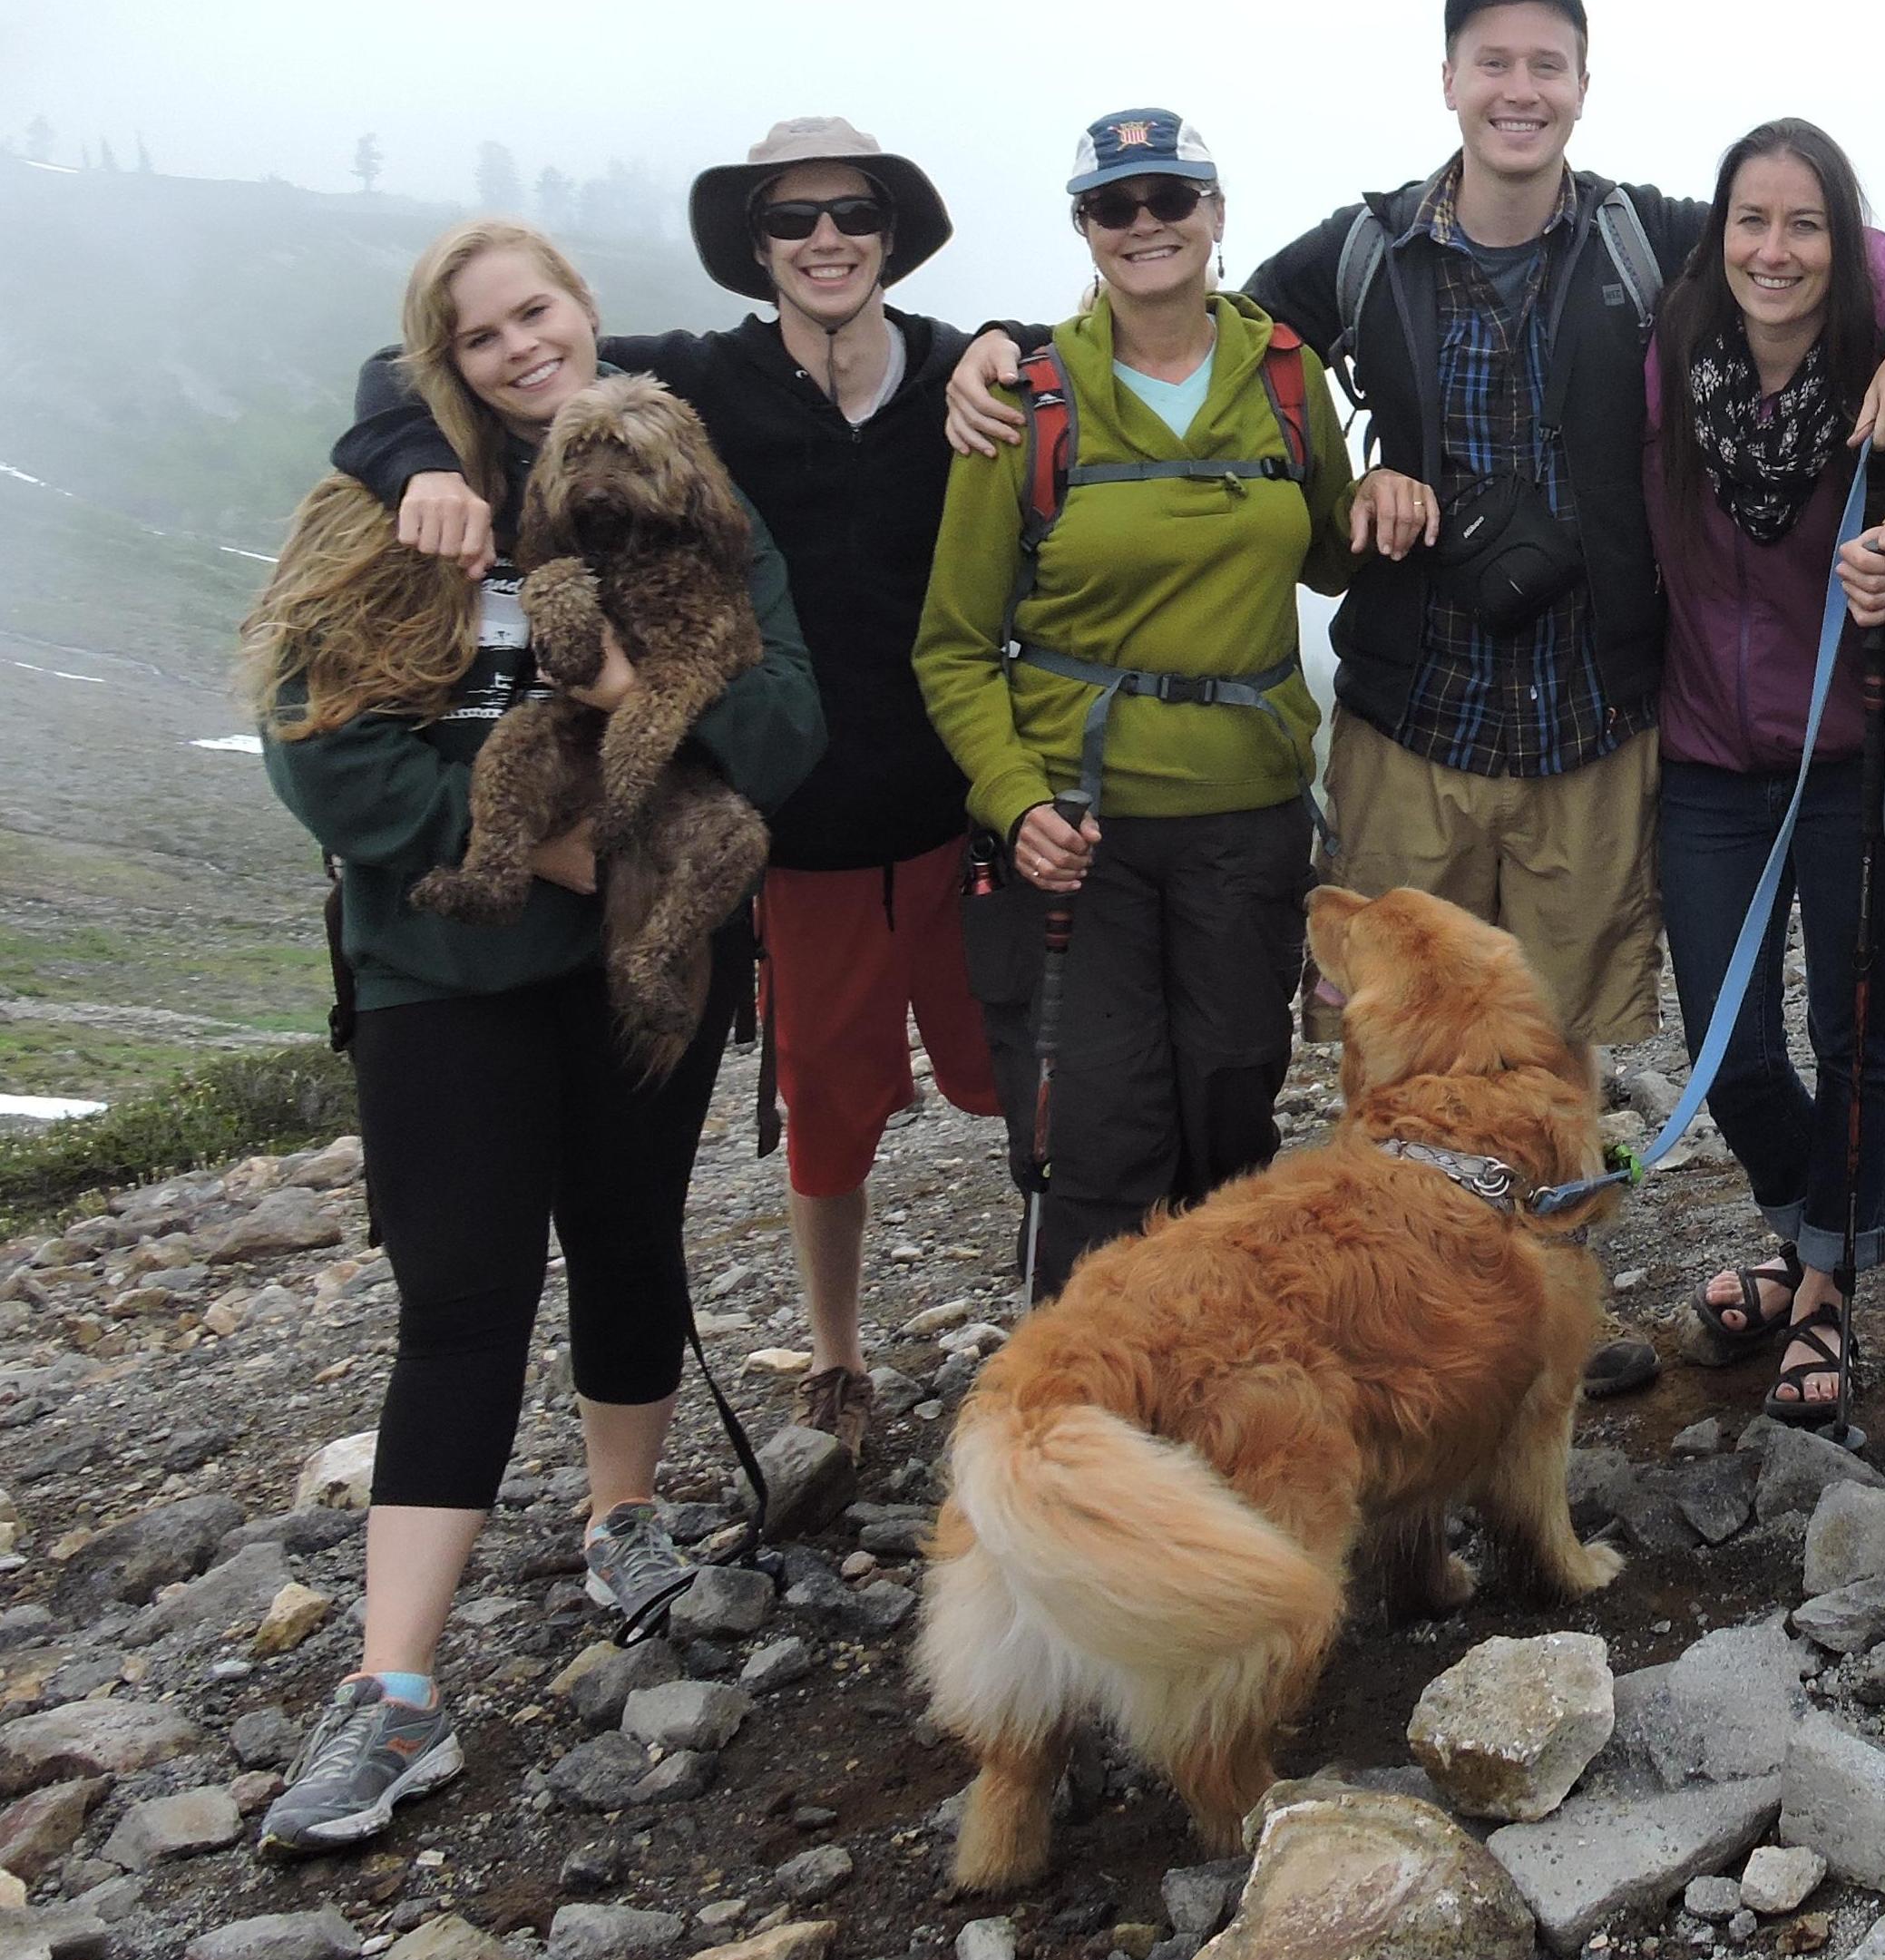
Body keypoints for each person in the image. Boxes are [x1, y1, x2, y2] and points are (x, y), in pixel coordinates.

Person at [946, 0, 1885, 1390]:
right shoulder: (1358, 257)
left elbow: (1846, 255)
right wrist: (1000, 347)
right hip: (1413, 716)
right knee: (1399, 1057)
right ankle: (1406, 1324)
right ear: (1449, 81)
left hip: (1597, 723)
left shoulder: (1645, 241)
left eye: (1549, 65)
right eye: (1495, 63)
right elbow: (1191, 319)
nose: (1520, 91)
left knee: (1555, 1062)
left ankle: (1543, 1326)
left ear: (1584, 87)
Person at [247, 221, 825, 1852]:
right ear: (445, 357)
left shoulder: (689, 496)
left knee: (634, 1237)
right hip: (449, 968)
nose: (518, 347)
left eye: (538, 312)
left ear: (587, 316)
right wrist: (529, 844)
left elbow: (785, 731)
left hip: (648, 956)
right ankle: (395, 1687)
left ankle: (623, 1516)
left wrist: (660, 673)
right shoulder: (396, 500)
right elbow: (322, 756)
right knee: (463, 1293)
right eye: (479, 331)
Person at [333, 120, 999, 1471]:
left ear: (890, 231)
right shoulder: (685, 378)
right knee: (826, 1105)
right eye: (790, 219)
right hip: (794, 833)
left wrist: (1004, 343)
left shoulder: (958, 368)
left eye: (850, 212)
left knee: (1020, 1086)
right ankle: (836, 1353)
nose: (823, 238)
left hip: (961, 804)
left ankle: (1053, 1324)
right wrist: (409, 461)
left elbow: (1084, 333)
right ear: (754, 249)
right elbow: (413, 370)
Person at [914, 111, 1358, 1299]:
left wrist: (1405, 488)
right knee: (1100, 1134)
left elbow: (1335, 554)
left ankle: (1225, 1399)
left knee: (1229, 1110)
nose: (1147, 224)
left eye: (1172, 198)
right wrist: (1014, 804)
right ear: (1085, 228)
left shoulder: (1285, 379)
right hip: (1075, 828)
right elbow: (954, 647)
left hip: (1247, 815)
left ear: (1216, 214)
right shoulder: (1028, 397)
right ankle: (1085, 1421)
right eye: (1117, 206)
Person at [1645, 118, 1885, 1420]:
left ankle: (1824, 1288)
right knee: (1732, 1044)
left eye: (1805, 223)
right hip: (1707, 754)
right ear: (1719, 235)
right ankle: (1809, 1227)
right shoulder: (1667, 359)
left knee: (1852, 1032)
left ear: (1843, 241)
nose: (1775, 249)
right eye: (1751, 222)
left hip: (1858, 752)